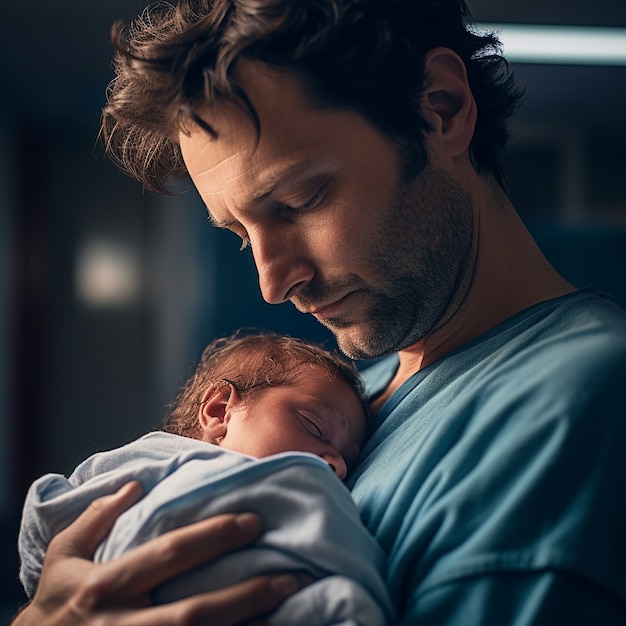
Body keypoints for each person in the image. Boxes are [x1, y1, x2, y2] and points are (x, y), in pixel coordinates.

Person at [13, 0, 626, 624]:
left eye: (300, 200)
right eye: (241, 234)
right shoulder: (360, 396)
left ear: (440, 108)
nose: (273, 284)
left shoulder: (571, 408)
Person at [18, 331, 394, 625]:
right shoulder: (145, 460)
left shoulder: (308, 492)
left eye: (347, 460)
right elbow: (49, 524)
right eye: (313, 426)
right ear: (219, 411)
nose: (337, 466)